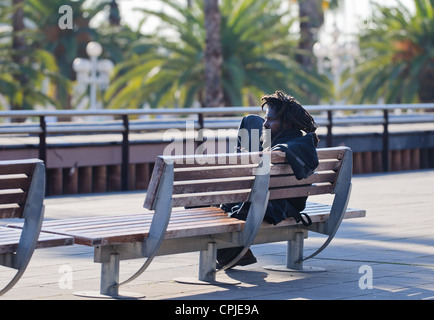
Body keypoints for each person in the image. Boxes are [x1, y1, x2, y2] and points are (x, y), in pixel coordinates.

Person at [217, 90, 320, 269]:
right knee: (250, 121)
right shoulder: (298, 144)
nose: (265, 123)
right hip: (282, 202)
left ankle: (231, 252)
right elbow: (257, 125)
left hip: (273, 205)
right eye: (266, 118)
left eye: (271, 120)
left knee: (202, 204)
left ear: (287, 124)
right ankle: (233, 253)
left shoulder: (281, 150)